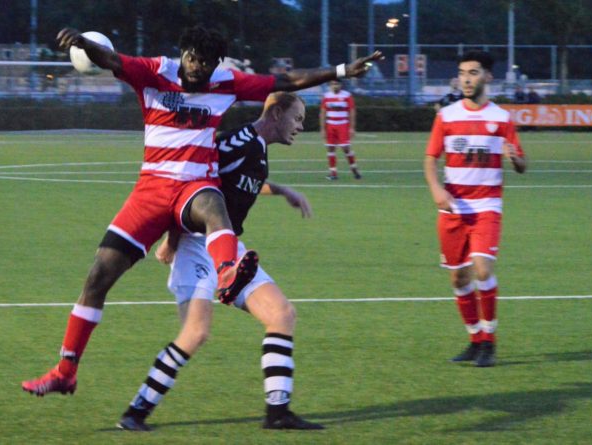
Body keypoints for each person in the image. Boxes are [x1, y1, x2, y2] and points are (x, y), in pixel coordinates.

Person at [21, 26, 382, 397]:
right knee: (97, 277)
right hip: (151, 191)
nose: (198, 69)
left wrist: (340, 71)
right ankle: (66, 371)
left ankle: (228, 274)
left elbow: (285, 80)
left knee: (213, 205)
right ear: (184, 53)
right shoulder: (154, 71)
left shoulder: (225, 81)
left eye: (207, 64)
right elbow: (112, 59)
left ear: (216, 65)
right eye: (193, 60)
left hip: (195, 186)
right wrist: (84, 44)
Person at [117, 92, 321, 431]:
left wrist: (282, 190)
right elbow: (188, 183)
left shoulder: (255, 145)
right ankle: (135, 412)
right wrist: (171, 241)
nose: (301, 126)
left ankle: (278, 412)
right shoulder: (242, 143)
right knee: (195, 333)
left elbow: (238, 181)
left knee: (282, 315)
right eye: (297, 118)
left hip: (226, 246)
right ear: (277, 113)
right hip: (196, 243)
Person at [423, 50, 527, 368]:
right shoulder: (447, 116)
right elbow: (430, 159)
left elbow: (522, 164)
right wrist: (436, 190)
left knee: (482, 269)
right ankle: (474, 339)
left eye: (473, 72)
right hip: (453, 208)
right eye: (462, 73)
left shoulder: (502, 119)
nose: (466, 79)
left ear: (487, 77)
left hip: (486, 205)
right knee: (458, 279)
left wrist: (515, 158)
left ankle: (489, 342)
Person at [320, 80, 360, 180]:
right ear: (330, 86)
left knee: (345, 148)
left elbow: (352, 111)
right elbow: (323, 113)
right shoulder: (326, 96)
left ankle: (354, 168)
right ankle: (333, 173)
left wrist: (352, 127)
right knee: (330, 148)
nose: (335, 86)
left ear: (341, 85)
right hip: (330, 125)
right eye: (333, 84)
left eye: (337, 84)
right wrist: (322, 129)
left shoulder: (347, 96)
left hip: (343, 124)